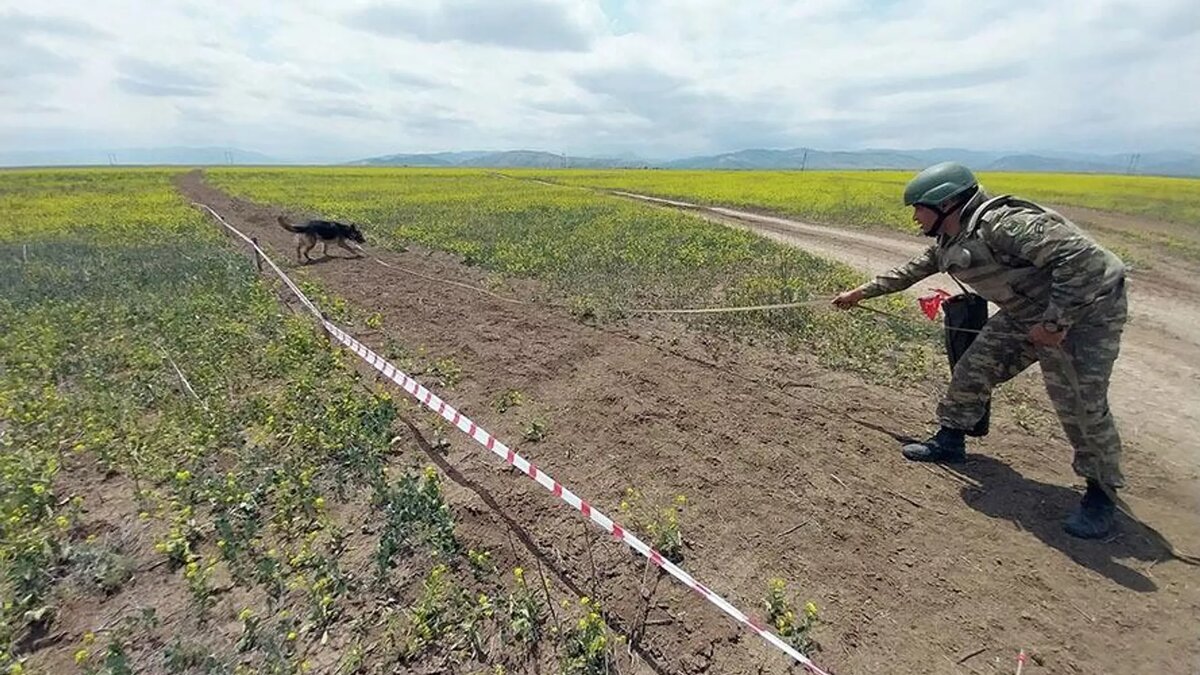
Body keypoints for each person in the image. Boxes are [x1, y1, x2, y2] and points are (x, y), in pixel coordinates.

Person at [832, 162, 1128, 539]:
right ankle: (950, 440)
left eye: (919, 207)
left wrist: (1055, 324)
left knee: (1079, 402)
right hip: (1027, 314)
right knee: (973, 366)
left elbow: (1085, 261)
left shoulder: (1005, 225)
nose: (914, 216)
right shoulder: (951, 241)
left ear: (946, 204)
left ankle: (1101, 493)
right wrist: (859, 293)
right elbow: (910, 271)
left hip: (1086, 314)